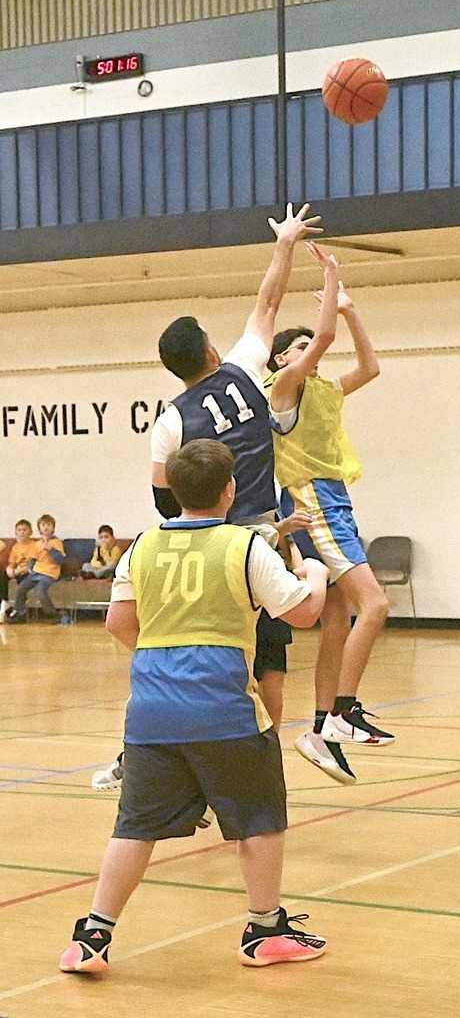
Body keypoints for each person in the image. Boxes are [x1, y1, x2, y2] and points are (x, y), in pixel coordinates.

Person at [59, 439, 330, 974]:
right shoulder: (243, 546)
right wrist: (316, 576)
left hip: (151, 711)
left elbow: (119, 622)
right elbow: (302, 614)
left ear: (173, 491)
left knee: (135, 826)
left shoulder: (141, 546)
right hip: (224, 710)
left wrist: (167, 658)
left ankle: (92, 937)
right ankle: (265, 929)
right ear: (230, 490)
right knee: (258, 819)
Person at [91, 202, 319, 791]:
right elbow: (268, 304)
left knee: (179, 651)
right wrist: (285, 241)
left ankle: (140, 755)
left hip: (202, 540)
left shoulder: (169, 420)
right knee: (267, 656)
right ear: (211, 352)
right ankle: (259, 756)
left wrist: (194, 524)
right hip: (259, 538)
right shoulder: (246, 368)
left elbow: (162, 499)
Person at [268, 244, 392, 786]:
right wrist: (330, 275)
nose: (309, 352)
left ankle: (320, 728)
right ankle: (342, 711)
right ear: (281, 362)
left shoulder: (324, 390)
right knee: (377, 604)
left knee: (337, 617)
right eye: (296, 347)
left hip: (335, 498)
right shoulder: (284, 390)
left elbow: (371, 366)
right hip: (311, 499)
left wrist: (349, 309)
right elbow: (321, 341)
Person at [7, 513, 65, 624]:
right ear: (39, 528)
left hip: (50, 573)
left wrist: (51, 549)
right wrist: (29, 568)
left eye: (49, 525)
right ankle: (21, 614)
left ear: (53, 528)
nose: (46, 527)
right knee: (21, 588)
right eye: (43, 525)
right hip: (37, 572)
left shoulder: (56, 542)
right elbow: (34, 559)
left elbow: (60, 560)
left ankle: (51, 614)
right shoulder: (37, 544)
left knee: (40, 590)